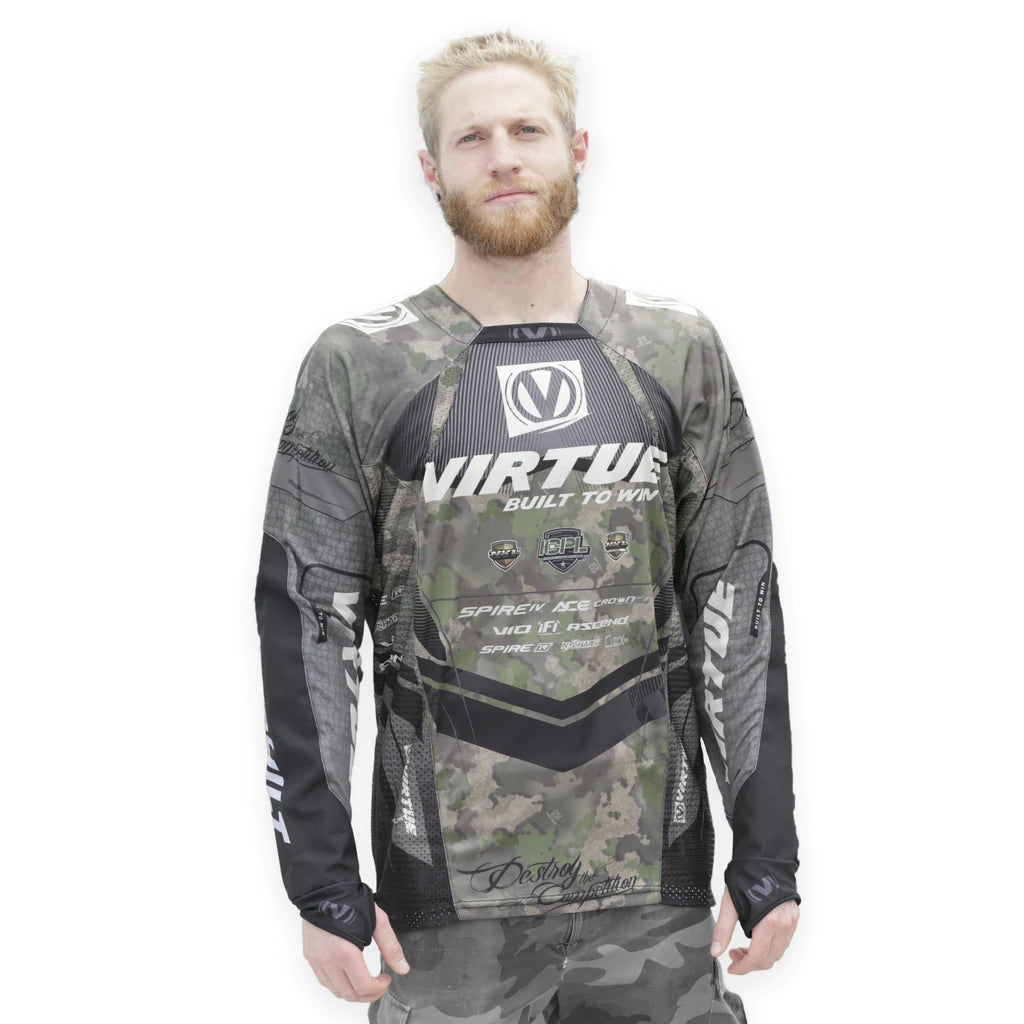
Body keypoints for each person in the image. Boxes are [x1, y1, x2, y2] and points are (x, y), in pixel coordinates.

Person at [254, 29, 800, 1024]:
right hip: (443, 905)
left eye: (526, 130)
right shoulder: (359, 365)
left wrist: (768, 851)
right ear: (431, 169)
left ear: (576, 150)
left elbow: (735, 593)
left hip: (655, 895)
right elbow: (307, 621)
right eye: (471, 138)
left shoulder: (675, 349)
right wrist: (320, 880)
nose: (502, 156)